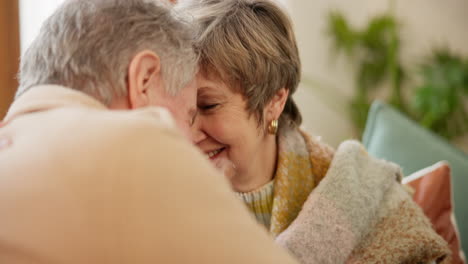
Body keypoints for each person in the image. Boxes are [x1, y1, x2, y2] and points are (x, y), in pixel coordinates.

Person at [0, 0, 301, 263]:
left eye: (206, 107)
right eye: (188, 112)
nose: (189, 135)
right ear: (143, 80)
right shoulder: (134, 147)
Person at [179, 0, 452, 262]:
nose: (187, 133)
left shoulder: (355, 192)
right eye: (179, 106)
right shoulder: (161, 191)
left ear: (274, 101)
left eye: (208, 105)